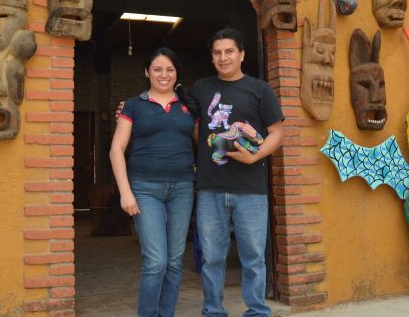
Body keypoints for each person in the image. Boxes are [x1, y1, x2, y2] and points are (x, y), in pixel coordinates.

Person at [192, 28, 284, 317]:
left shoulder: (260, 90)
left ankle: (257, 311)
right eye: (217, 52)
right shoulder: (201, 88)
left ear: (242, 54)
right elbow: (195, 128)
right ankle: (213, 311)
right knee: (212, 257)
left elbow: (277, 133)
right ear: (212, 57)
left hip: (251, 189)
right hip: (210, 188)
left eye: (229, 51)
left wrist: (253, 154)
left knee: (254, 257)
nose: (223, 57)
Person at [109, 47, 197, 317]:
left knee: (173, 263)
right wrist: (126, 193)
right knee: (156, 261)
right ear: (147, 72)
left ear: (177, 73)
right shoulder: (133, 105)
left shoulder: (189, 106)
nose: (163, 75)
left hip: (183, 189)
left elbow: (204, 143)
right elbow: (116, 149)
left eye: (170, 69)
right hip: (145, 190)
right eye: (157, 69)